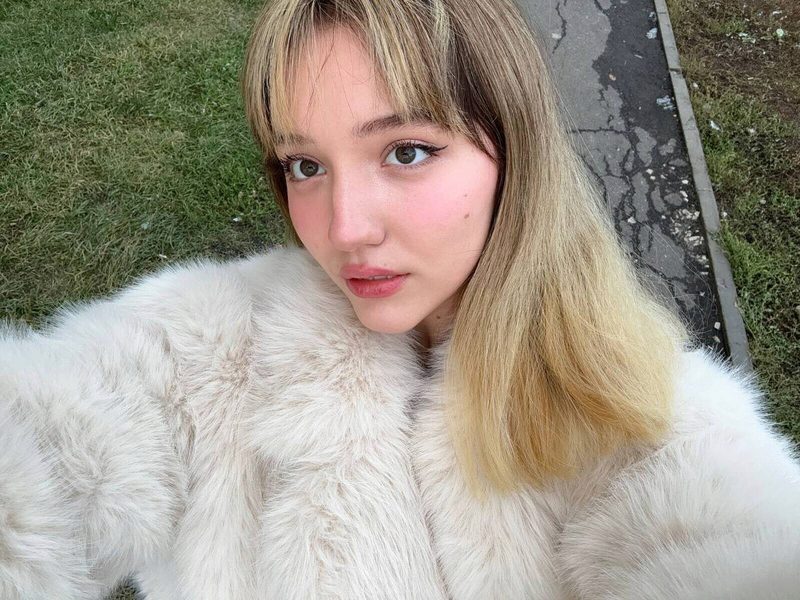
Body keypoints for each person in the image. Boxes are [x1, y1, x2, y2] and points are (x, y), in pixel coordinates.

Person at [2, 0, 799, 598]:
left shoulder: (644, 416)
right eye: (305, 165)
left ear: (513, 152)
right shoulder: (209, 345)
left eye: (407, 151)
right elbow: (43, 461)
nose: (344, 228)